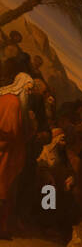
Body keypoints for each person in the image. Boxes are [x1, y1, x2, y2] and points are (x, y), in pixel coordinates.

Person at [0, 73, 35, 237]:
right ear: (21, 86)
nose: (29, 93)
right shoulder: (13, 103)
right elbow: (9, 133)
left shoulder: (6, 97)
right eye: (28, 90)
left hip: (6, 151)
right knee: (3, 190)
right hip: (4, 153)